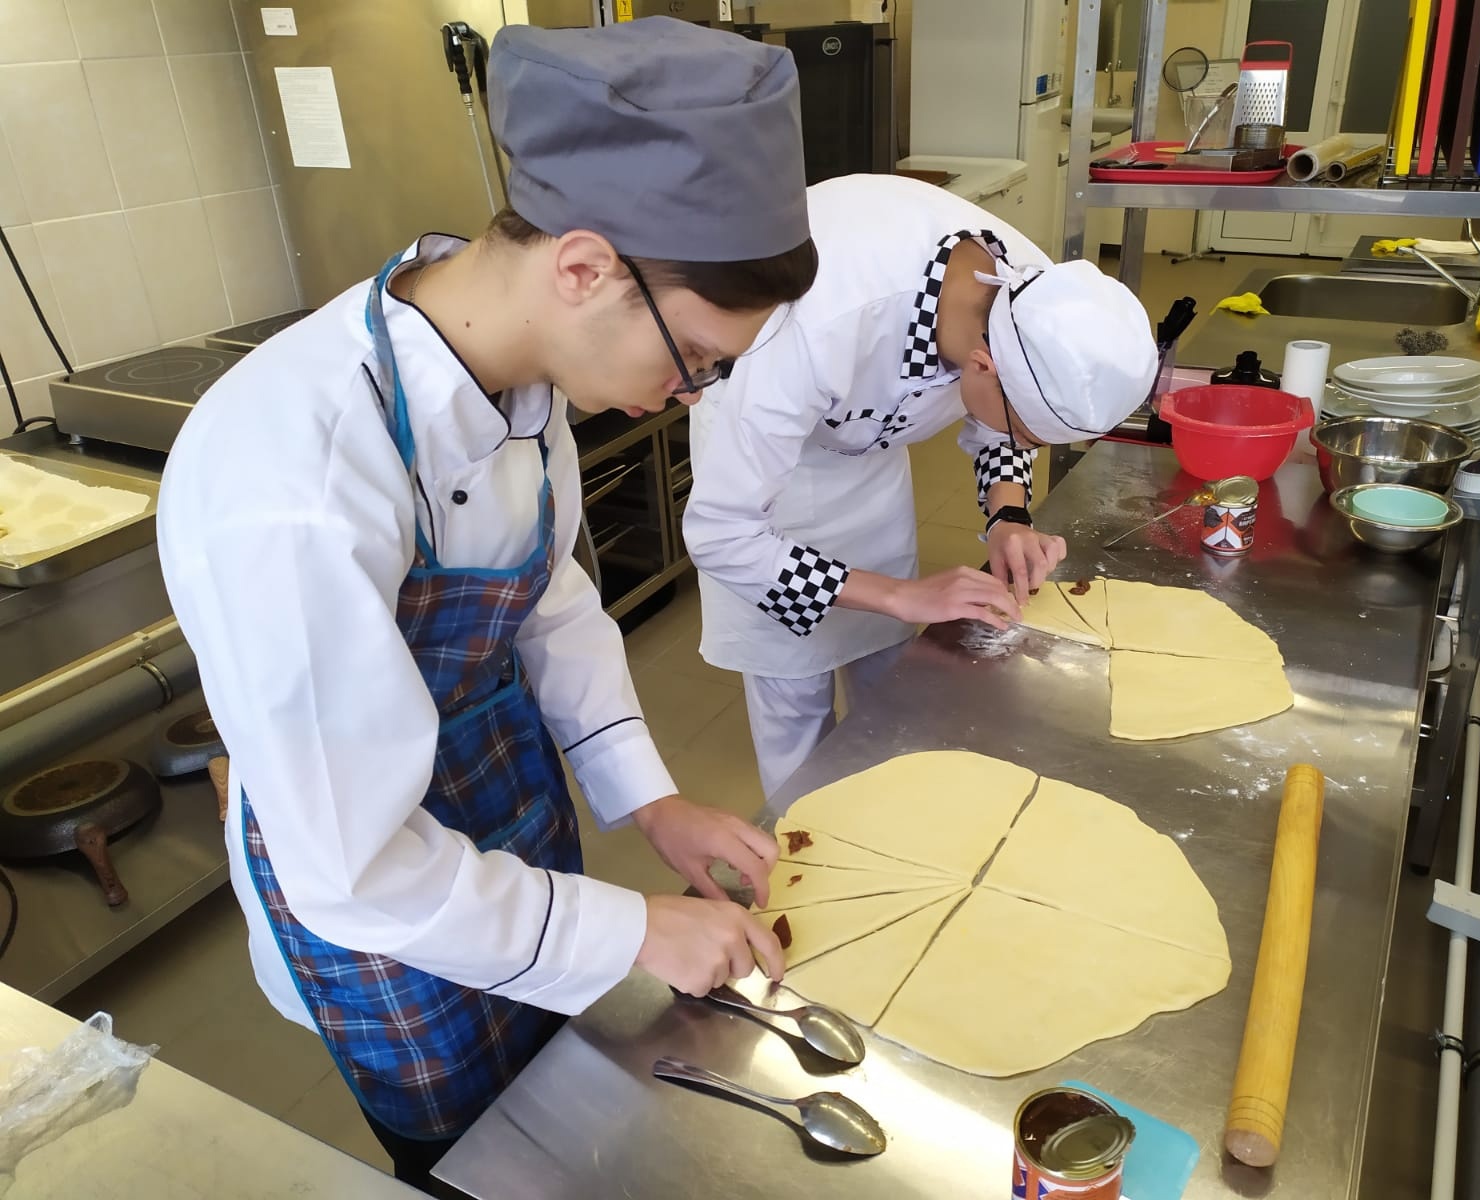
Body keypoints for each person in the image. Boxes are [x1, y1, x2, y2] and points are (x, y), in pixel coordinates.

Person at [156, 20, 815, 1195]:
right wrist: (628, 929)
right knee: (479, 1161)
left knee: (567, 1094)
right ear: (584, 268)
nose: (693, 394)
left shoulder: (516, 373)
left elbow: (546, 595)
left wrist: (650, 802)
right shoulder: (296, 476)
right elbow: (355, 868)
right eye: (695, 356)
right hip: (377, 892)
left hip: (503, 796)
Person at [683, 173, 1157, 798]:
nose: (1022, 445)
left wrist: (1008, 516)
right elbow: (721, 533)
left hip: (869, 466)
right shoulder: (814, 321)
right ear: (982, 363)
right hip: (769, 485)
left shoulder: (1041, 303)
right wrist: (900, 595)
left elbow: (1004, 420)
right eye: (1026, 433)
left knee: (893, 690)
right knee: (795, 708)